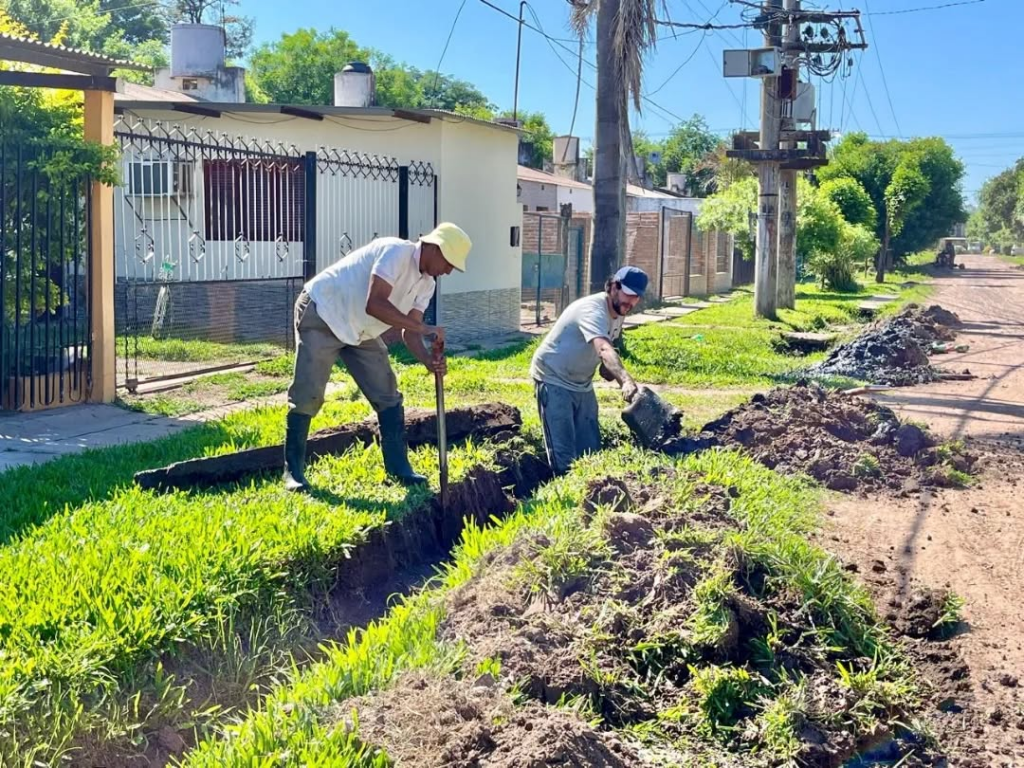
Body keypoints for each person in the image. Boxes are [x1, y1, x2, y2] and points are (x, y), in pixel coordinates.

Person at [283, 223, 472, 492]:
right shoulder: (396, 252)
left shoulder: (427, 285)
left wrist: (429, 361)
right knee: (309, 392)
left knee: (387, 393)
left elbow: (410, 332)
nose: (449, 270)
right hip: (324, 311)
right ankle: (293, 472)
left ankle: (398, 468)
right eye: (449, 262)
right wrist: (424, 328)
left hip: (360, 329)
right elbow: (376, 303)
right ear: (434, 247)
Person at [529, 266, 648, 474]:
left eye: (636, 297)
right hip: (553, 378)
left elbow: (605, 349)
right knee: (563, 454)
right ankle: (565, 499)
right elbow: (603, 347)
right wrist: (626, 381)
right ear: (613, 287)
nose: (631, 302)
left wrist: (607, 368)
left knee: (590, 452)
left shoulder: (619, 311)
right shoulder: (593, 309)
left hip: (581, 384)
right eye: (627, 294)